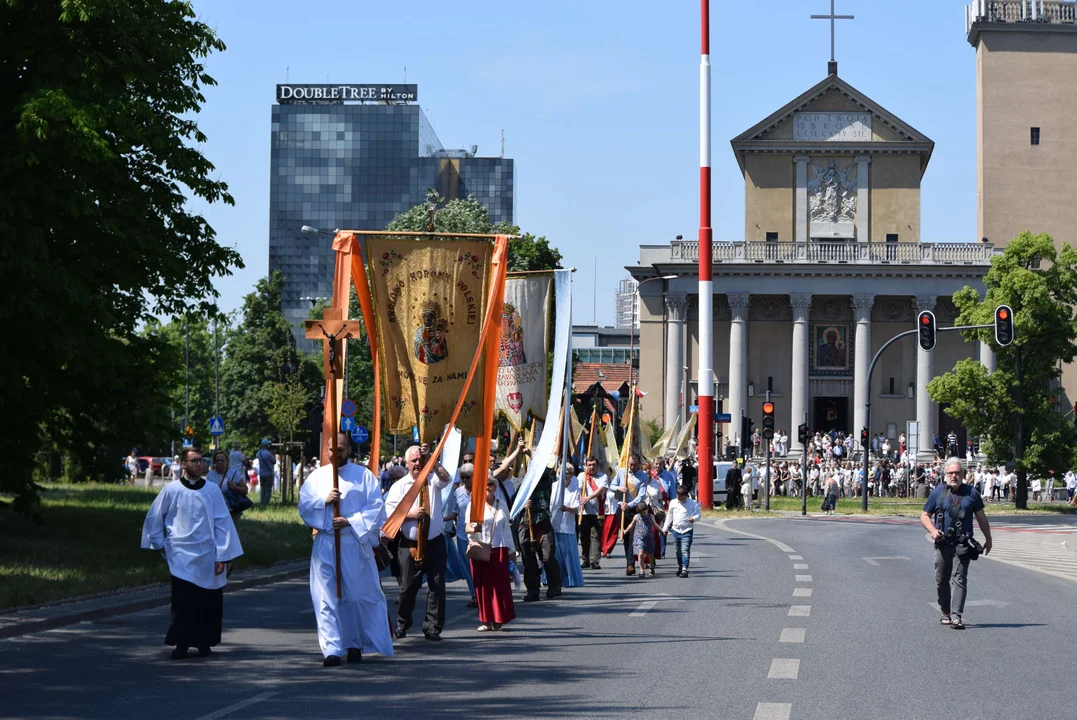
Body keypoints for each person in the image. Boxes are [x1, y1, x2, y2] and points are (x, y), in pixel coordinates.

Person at [299, 433, 393, 666]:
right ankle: (332, 649)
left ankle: (353, 643)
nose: (335, 454)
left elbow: (375, 507)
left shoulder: (363, 476)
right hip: (326, 541)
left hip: (352, 541)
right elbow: (304, 506)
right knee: (325, 597)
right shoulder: (317, 477)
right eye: (331, 449)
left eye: (340, 449)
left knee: (354, 596)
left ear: (349, 450)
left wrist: (350, 520)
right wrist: (324, 500)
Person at [140, 447, 243, 659]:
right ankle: (181, 643)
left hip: (207, 554)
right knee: (183, 602)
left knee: (208, 602)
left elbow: (222, 523)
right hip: (181, 556)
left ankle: (204, 642)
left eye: (201, 461)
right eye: (194, 461)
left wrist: (223, 556)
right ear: (184, 465)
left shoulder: (212, 490)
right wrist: (160, 544)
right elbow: (154, 518)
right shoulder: (172, 490)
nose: (199, 464)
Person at [383, 443, 452, 641]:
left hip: (435, 542)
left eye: (420, 460)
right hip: (409, 545)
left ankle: (432, 627)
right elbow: (389, 514)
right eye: (413, 461)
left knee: (436, 587)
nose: (417, 464)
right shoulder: (399, 487)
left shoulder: (433, 480)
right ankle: (403, 622)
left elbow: (446, 478)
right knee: (407, 587)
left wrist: (432, 459)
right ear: (406, 463)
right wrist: (410, 514)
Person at [920, 458, 993, 630]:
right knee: (941, 580)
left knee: (959, 579)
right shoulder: (938, 493)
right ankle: (945, 610)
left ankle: (956, 616)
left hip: (962, 544)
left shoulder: (972, 493)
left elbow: (981, 517)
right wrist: (932, 531)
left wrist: (988, 538)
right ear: (945, 475)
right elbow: (924, 515)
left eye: (957, 473)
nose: (954, 476)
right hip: (942, 543)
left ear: (963, 474)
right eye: (950, 473)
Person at [463, 475, 517, 631]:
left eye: (492, 484)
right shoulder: (474, 505)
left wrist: (512, 551)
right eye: (486, 484)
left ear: (496, 487)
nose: (489, 487)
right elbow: (466, 527)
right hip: (481, 548)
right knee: (483, 585)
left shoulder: (502, 505)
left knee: (500, 584)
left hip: (499, 548)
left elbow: (507, 529)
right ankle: (486, 620)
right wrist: (474, 529)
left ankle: (500, 617)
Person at [519, 466, 562, 601]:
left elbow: (552, 475)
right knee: (529, 561)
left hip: (542, 524)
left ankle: (554, 587)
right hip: (526, 525)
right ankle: (532, 591)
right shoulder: (521, 486)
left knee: (548, 558)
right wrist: (523, 504)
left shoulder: (545, 484)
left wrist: (534, 457)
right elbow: (513, 505)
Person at [552, 463, 584, 588]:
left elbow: (576, 507)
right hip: (554, 522)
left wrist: (567, 509)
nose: (567, 476)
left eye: (569, 473)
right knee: (554, 553)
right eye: (564, 473)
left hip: (567, 524)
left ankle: (569, 578)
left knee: (568, 553)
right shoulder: (554, 486)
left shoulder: (575, 487)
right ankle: (553, 578)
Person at [662, 485, 701, 578]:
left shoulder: (692, 503)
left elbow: (698, 514)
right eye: (678, 496)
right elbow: (669, 516)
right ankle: (680, 566)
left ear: (686, 495)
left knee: (685, 550)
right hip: (676, 530)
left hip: (687, 530)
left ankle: (684, 569)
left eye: (682, 497)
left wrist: (694, 518)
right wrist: (665, 528)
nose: (680, 499)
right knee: (678, 551)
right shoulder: (673, 503)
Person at [452, 464, 477, 607]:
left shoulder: (481, 491)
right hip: (462, 534)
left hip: (478, 534)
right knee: (467, 567)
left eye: (468, 477)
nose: (465, 480)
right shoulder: (458, 492)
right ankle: (474, 594)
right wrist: (440, 519)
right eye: (463, 477)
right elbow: (455, 512)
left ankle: (481, 593)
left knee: (479, 565)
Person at [578, 456, 607, 569]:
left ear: (597, 466)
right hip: (584, 512)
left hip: (597, 512)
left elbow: (600, 490)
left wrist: (588, 497)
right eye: (589, 465)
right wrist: (581, 499)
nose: (592, 467)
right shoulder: (582, 476)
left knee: (595, 536)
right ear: (586, 466)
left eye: (594, 465)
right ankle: (585, 559)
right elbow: (579, 489)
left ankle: (594, 560)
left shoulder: (602, 477)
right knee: (584, 537)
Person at [206, 450, 251, 520]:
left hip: (231, 509)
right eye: (218, 461)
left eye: (222, 460)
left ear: (226, 461)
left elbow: (245, 490)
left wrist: (235, 487)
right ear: (214, 462)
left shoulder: (234, 473)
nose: (220, 462)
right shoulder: (211, 474)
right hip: (215, 509)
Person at [624, 502, 657, 578]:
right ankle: (641, 571)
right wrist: (625, 531)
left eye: (644, 512)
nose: (643, 514)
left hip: (649, 537)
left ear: (647, 510)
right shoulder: (637, 517)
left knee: (650, 553)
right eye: (641, 513)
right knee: (640, 553)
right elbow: (631, 525)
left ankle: (652, 567)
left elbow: (655, 525)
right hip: (639, 537)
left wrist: (662, 530)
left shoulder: (650, 516)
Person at [256, 439, 276, 506]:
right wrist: (273, 454)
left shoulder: (259, 453)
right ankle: (266, 503)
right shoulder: (269, 454)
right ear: (267, 445)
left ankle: (262, 502)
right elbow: (274, 461)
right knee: (268, 489)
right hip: (268, 473)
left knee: (263, 489)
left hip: (261, 473)